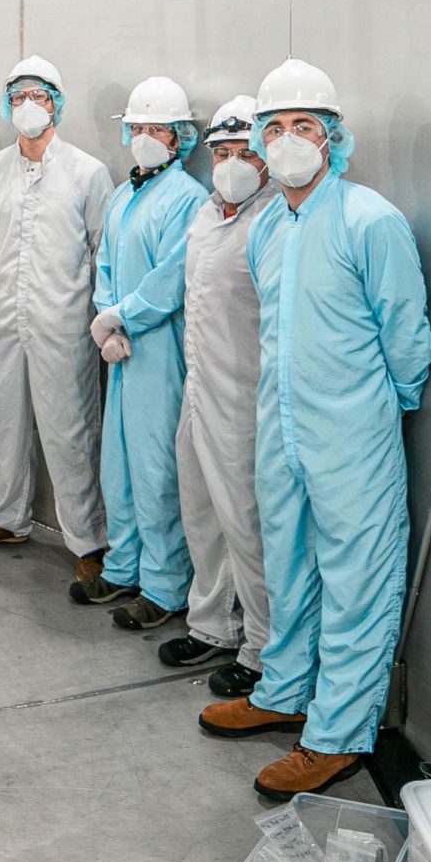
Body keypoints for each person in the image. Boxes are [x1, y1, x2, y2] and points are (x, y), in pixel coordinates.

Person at [201, 61, 431, 801]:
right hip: (284, 429)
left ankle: (335, 735)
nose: (289, 141)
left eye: (304, 127)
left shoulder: (370, 219)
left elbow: (406, 336)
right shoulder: (270, 225)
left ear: (333, 139)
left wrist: (374, 412)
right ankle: (285, 689)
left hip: (352, 435)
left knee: (357, 581)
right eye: (275, 130)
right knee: (290, 567)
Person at [0, 58, 115, 592]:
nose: (30, 104)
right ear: (8, 105)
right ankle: (7, 517)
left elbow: (101, 252)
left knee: (71, 430)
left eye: (41, 95)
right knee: (5, 420)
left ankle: (88, 540)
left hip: (64, 321)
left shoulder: (88, 172)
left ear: (57, 104)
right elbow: (0, 241)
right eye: (20, 95)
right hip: (9, 315)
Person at [160, 97, 277, 693]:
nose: (231, 164)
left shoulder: (274, 221)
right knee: (201, 512)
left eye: (244, 153)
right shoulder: (207, 215)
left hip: (246, 398)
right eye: (222, 153)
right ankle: (211, 627)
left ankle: (260, 648)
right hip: (199, 387)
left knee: (246, 523)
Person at [83, 76, 207, 628]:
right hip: (119, 348)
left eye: (158, 129)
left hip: (159, 350)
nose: (147, 137)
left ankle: (163, 586)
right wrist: (106, 320)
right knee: (121, 464)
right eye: (139, 128)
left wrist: (123, 317)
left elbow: (172, 277)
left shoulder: (188, 199)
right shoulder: (122, 193)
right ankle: (123, 565)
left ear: (180, 138)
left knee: (157, 470)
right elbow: (105, 261)